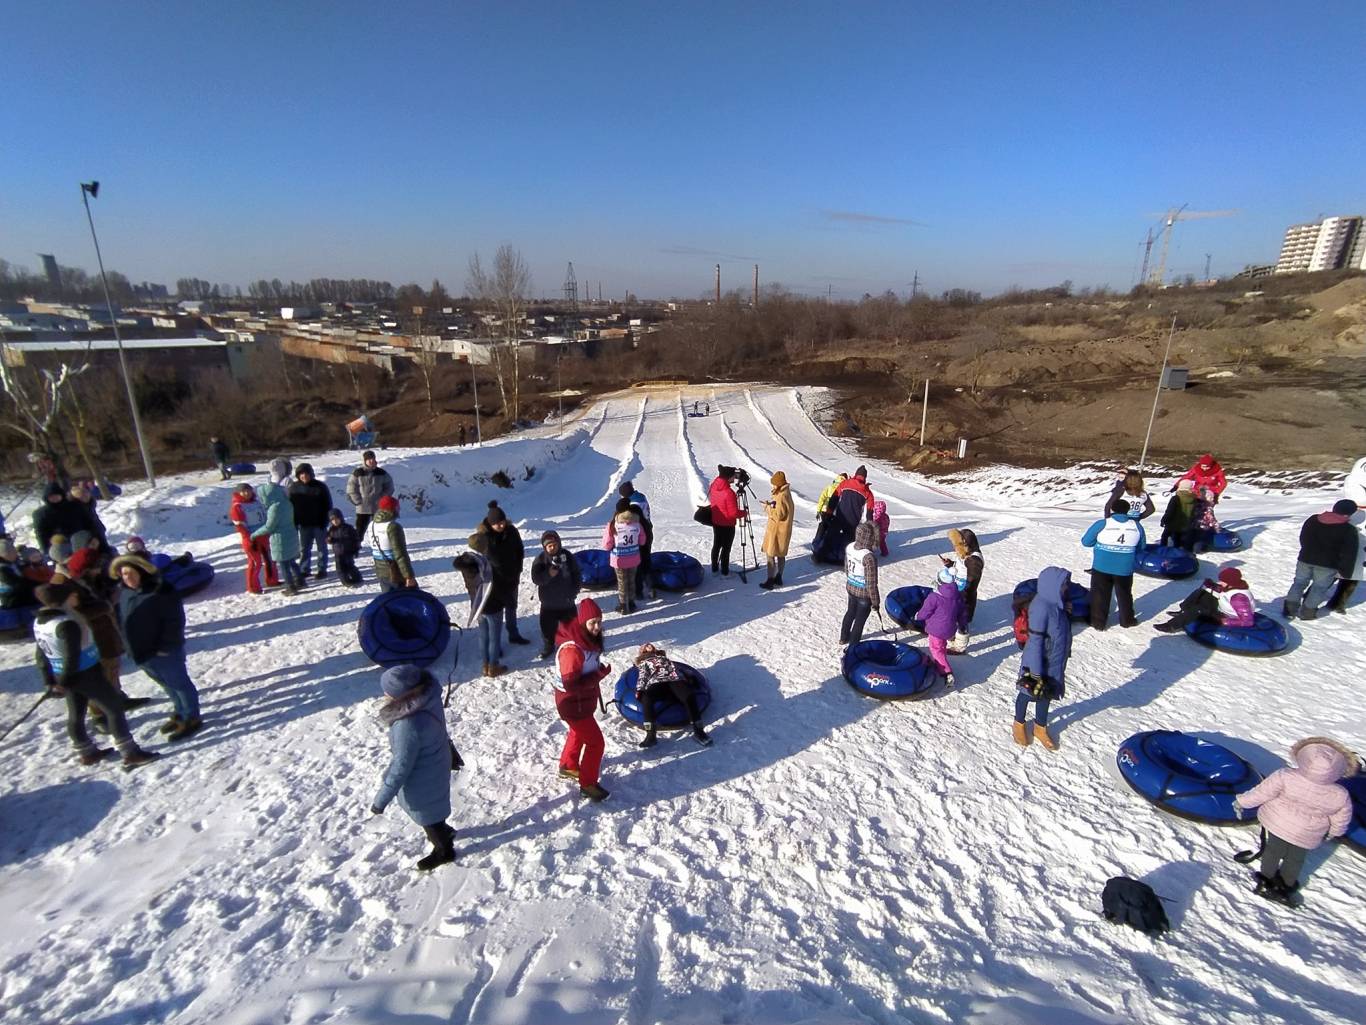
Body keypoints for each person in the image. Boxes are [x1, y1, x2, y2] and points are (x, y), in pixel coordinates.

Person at [33, 582, 159, 769]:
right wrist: (63, 682)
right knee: (114, 708)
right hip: (84, 673)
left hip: (66, 674)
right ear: (63, 600)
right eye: (72, 596)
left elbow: (41, 654)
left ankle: (86, 752)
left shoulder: (41, 622)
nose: (76, 598)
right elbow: (71, 655)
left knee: (76, 714)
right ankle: (130, 752)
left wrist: (49, 680)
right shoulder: (66, 624)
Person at [1234, 737, 1357, 906]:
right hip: (1307, 833)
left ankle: (1265, 880)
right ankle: (1285, 886)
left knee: (1273, 851)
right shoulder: (1339, 794)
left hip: (1278, 822)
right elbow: (1342, 817)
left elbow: (1262, 793)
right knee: (1295, 859)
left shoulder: (1285, 776)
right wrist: (1334, 832)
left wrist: (1241, 802)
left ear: (1304, 758)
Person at [369, 663, 457, 871]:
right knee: (436, 807)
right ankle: (444, 829)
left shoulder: (407, 725)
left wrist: (380, 801)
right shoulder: (429, 698)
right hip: (437, 760)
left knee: (427, 816)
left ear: (402, 696)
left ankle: (444, 850)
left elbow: (401, 766)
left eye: (388, 691)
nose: (384, 694)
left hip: (422, 778)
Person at [111, 553, 203, 741]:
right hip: (141, 652)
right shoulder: (125, 592)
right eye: (124, 574)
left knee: (179, 683)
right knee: (166, 684)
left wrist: (166, 646)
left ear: (142, 571)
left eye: (131, 573)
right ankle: (180, 711)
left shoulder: (162, 591)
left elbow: (174, 622)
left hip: (164, 651)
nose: (128, 578)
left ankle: (191, 717)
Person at [553, 598, 612, 801]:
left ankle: (568, 766)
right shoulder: (572, 650)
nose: (597, 627)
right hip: (572, 704)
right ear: (582, 623)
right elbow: (572, 684)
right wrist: (599, 675)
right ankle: (588, 784)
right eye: (592, 623)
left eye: (599, 621)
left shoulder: (586, 641)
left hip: (581, 703)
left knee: (577, 733)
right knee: (596, 743)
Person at [1015, 566, 1073, 750]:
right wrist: (1035, 671)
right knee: (1027, 693)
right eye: (1063, 585)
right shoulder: (1041, 608)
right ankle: (1019, 723)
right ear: (1052, 585)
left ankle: (1040, 727)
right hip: (1038, 663)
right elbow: (1035, 642)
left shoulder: (1058, 605)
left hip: (1054, 661)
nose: (1066, 588)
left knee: (1046, 695)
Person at [1284, 499, 1360, 620]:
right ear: (1349, 514)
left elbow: (1303, 537)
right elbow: (1349, 554)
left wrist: (1307, 550)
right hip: (1328, 564)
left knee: (1298, 583)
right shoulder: (1348, 530)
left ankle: (1289, 610)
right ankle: (1307, 613)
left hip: (1305, 558)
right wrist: (1346, 572)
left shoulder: (1313, 519)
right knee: (1318, 588)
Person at [1081, 497, 1145, 630]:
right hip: (1125, 567)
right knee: (1125, 594)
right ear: (1128, 511)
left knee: (1099, 594)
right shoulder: (1136, 526)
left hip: (1102, 566)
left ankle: (1098, 622)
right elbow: (1141, 546)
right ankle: (1127, 620)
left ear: (1112, 510)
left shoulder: (1103, 523)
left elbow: (1086, 541)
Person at [471, 501, 530, 643]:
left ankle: (513, 634)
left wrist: (518, 568)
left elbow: (519, 550)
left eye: (503, 522)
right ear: (490, 524)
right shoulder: (484, 537)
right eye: (497, 523)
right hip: (494, 581)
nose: (501, 525)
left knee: (511, 607)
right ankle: (494, 645)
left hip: (512, 577)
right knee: (495, 614)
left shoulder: (512, 531)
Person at [633, 643, 711, 748]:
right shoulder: (644, 662)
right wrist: (640, 690)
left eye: (650, 645)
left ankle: (699, 731)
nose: (648, 646)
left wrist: (689, 676)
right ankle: (651, 735)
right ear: (642, 652)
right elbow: (643, 676)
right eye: (645, 646)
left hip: (674, 679)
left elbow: (676, 669)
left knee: (688, 695)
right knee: (647, 698)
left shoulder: (663, 658)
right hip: (656, 682)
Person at [454, 540, 506, 677]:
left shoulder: (466, 564)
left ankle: (485, 665)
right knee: (494, 637)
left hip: (477, 606)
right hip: (493, 605)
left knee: (483, 636)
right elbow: (497, 584)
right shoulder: (484, 565)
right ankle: (493, 666)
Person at [1153, 567, 1256, 633]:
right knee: (1203, 592)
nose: (1220, 582)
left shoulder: (1239, 598)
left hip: (1227, 617)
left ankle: (1171, 626)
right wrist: (1210, 585)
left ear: (1230, 582)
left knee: (1199, 609)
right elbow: (1223, 592)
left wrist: (1224, 621)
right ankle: (1183, 611)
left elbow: (1247, 621)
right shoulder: (1232, 587)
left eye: (1223, 581)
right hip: (1223, 609)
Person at [530, 529, 581, 659]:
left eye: (555, 544)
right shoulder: (540, 560)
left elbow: (576, 574)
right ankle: (549, 646)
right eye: (549, 545)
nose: (553, 547)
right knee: (547, 628)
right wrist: (548, 574)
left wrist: (574, 591)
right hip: (548, 603)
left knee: (572, 626)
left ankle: (573, 645)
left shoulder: (567, 556)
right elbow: (536, 579)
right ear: (545, 547)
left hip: (567, 601)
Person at [914, 568, 967, 688]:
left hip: (936, 629)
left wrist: (918, 616)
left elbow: (926, 611)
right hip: (949, 629)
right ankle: (940, 661)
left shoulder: (934, 597)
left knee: (935, 650)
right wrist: (963, 624)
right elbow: (962, 612)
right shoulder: (957, 595)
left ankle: (946, 672)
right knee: (941, 646)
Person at [252, 481, 306, 595]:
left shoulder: (274, 508)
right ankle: (300, 581)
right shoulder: (287, 502)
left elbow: (269, 527)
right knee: (292, 561)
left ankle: (291, 587)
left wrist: (255, 534)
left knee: (284, 565)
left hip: (280, 539)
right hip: (291, 535)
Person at [229, 482, 277, 594]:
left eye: (248, 490)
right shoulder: (237, 507)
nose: (247, 493)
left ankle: (272, 580)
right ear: (239, 493)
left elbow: (265, 517)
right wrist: (249, 539)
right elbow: (240, 526)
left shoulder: (257, 503)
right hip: (251, 538)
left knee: (270, 559)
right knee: (256, 563)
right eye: (244, 491)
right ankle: (253, 586)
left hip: (263, 535)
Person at [289, 463, 334, 580]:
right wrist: (293, 522)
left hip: (319, 523)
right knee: (304, 548)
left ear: (311, 474)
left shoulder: (320, 487)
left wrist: (327, 520)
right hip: (303, 524)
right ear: (298, 475)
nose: (304, 476)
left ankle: (322, 569)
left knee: (321, 548)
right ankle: (304, 569)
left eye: (306, 474)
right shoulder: (293, 488)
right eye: (301, 474)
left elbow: (328, 505)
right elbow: (290, 507)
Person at [839, 521, 880, 646]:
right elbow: (871, 583)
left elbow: (846, 569)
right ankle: (853, 646)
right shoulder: (868, 557)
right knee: (860, 621)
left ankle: (843, 637)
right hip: (863, 594)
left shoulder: (849, 547)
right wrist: (875, 602)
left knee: (850, 612)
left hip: (851, 587)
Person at [369, 495, 418, 593]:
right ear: (393, 508)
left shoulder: (372, 524)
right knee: (408, 599)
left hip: (381, 571)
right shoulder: (393, 527)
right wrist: (409, 576)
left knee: (389, 601)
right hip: (396, 573)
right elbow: (400, 554)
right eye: (397, 507)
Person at [603, 498, 644, 614]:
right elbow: (643, 541)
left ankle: (623, 606)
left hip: (619, 559)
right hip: (634, 557)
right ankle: (631, 603)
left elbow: (606, 545)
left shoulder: (613, 525)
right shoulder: (637, 524)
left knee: (622, 582)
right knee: (631, 580)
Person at [946, 528, 984, 653]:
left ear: (966, 544)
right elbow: (961, 567)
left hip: (965, 595)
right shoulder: (965, 554)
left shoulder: (974, 560)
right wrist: (950, 564)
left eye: (958, 545)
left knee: (962, 620)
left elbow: (972, 581)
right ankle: (953, 633)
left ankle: (959, 647)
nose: (955, 548)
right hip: (959, 591)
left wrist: (962, 594)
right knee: (954, 616)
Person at [346, 449, 394, 538]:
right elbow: (351, 488)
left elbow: (389, 487)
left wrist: (383, 499)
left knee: (378, 528)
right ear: (365, 461)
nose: (371, 461)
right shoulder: (358, 473)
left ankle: (380, 545)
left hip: (378, 506)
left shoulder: (381, 473)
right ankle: (356, 546)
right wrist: (358, 501)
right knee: (360, 529)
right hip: (362, 507)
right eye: (369, 459)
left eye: (373, 459)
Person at [707, 466, 745, 576]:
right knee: (726, 548)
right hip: (727, 524)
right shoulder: (729, 493)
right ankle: (724, 571)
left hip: (716, 521)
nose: (735, 478)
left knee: (717, 545)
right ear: (729, 477)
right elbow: (734, 513)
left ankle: (714, 567)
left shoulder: (714, 486)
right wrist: (744, 513)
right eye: (734, 476)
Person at [1326, 505, 1364, 614]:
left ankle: (1338, 603)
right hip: (1343, 553)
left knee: (1351, 581)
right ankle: (1310, 597)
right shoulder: (1351, 510)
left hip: (1360, 555)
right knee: (1328, 577)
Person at [759, 470, 794, 590]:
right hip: (782, 531)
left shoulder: (781, 496)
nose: (772, 486)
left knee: (771, 555)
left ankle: (770, 580)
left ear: (778, 484)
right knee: (780, 554)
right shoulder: (785, 493)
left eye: (773, 484)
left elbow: (779, 515)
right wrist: (771, 505)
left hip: (777, 531)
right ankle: (779, 577)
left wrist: (767, 508)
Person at [32, 483, 92, 553]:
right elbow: (41, 533)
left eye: (56, 495)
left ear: (61, 495)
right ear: (47, 498)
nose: (55, 498)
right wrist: (46, 550)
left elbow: (88, 522)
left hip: (81, 541)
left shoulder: (74, 506)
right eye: (51, 496)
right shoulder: (41, 514)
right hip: (60, 546)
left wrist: (93, 537)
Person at [832, 466, 875, 548]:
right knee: (849, 541)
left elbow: (834, 497)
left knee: (832, 535)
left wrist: (829, 511)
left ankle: (822, 554)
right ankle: (843, 557)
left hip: (839, 516)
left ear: (856, 474)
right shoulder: (868, 493)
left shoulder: (845, 483)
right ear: (865, 477)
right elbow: (869, 511)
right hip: (853, 521)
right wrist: (869, 526)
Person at [326, 508, 364, 586]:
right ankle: (346, 582)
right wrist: (329, 540)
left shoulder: (348, 528)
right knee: (340, 569)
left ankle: (357, 578)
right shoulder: (331, 529)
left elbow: (356, 538)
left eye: (337, 519)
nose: (335, 521)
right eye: (332, 520)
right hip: (338, 553)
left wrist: (356, 549)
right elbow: (329, 539)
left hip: (348, 551)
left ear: (341, 518)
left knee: (350, 566)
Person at [812, 472, 848, 552]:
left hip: (825, 510)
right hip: (836, 512)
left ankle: (816, 544)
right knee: (830, 530)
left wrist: (818, 510)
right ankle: (826, 547)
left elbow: (822, 498)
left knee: (822, 527)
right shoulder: (844, 488)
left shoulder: (830, 486)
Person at [1158, 479, 1199, 549]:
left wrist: (1164, 520)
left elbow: (1169, 511)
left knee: (1165, 538)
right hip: (1186, 525)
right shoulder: (1195, 499)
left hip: (1172, 525)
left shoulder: (1175, 498)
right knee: (1179, 541)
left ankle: (1162, 553)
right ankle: (1181, 554)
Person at [1, 537, 39, 610]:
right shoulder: (3, 570)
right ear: (5, 554)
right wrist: (36, 584)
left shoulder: (13, 564)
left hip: (23, 600)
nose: (16, 554)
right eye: (12, 552)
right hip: (14, 603)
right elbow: (19, 585)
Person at [630, 499, 656, 603]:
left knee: (638, 573)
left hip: (638, 553)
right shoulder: (647, 524)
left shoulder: (636, 527)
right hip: (647, 551)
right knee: (647, 570)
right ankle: (651, 589)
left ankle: (639, 593)